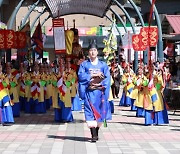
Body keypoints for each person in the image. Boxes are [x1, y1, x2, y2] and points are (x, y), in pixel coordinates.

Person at [78, 40, 111, 142]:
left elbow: (107, 78)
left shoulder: (103, 65)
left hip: (99, 93)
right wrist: (91, 76)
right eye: (91, 50)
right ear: (88, 52)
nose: (92, 52)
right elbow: (80, 76)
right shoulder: (84, 65)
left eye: (94, 50)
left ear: (97, 52)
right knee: (90, 112)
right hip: (89, 92)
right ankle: (93, 134)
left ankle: (96, 131)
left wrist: (101, 86)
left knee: (100, 112)